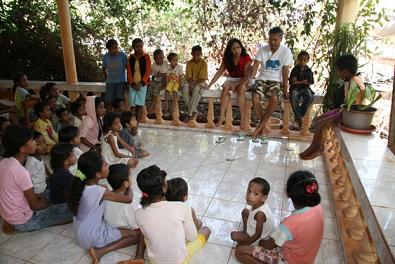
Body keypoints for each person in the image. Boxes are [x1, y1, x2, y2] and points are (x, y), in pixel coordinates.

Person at [68, 151, 144, 263]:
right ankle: (100, 252)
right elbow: (128, 199)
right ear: (98, 174)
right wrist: (129, 187)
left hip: (80, 233)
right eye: (105, 164)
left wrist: (100, 189)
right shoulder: (98, 191)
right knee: (135, 236)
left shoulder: (81, 183)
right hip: (91, 237)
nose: (108, 165)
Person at [235, 171, 324, 264]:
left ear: (287, 193)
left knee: (240, 252)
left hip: (289, 260)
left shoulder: (290, 223)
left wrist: (258, 242)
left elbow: (269, 245)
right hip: (308, 258)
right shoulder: (318, 207)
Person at [0, 125, 72, 232]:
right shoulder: (21, 172)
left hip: (10, 216)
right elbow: (35, 206)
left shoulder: (3, 162)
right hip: (25, 220)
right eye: (32, 141)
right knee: (71, 210)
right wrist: (50, 204)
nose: (35, 143)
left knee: (50, 194)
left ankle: (11, 222)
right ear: (22, 148)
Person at [134, 165, 211, 264]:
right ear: (164, 187)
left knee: (146, 235)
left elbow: (146, 235)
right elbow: (191, 237)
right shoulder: (182, 207)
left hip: (155, 261)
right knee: (206, 230)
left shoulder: (138, 213)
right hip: (180, 261)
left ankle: (139, 256)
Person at [300, 54, 365, 160]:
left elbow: (355, 106)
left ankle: (317, 148)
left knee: (321, 122)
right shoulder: (351, 79)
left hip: (349, 115)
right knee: (318, 120)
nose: (338, 74)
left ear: (344, 71)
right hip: (344, 110)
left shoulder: (355, 82)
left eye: (338, 71)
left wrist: (338, 114)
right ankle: (314, 147)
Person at [249, 27, 294, 139]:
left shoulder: (286, 51)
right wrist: (251, 79)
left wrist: (285, 89)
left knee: (274, 99)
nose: (272, 42)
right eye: (270, 39)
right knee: (255, 99)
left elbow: (285, 71)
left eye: (275, 40)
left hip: (276, 81)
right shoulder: (262, 50)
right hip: (262, 79)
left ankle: (260, 127)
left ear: (280, 39)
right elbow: (255, 65)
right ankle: (263, 126)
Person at [208, 38, 252, 129]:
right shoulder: (227, 59)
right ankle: (221, 119)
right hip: (233, 79)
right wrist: (209, 85)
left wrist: (236, 84)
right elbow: (219, 72)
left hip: (245, 80)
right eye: (234, 48)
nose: (237, 50)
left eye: (238, 47)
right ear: (230, 50)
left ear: (241, 47)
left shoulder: (246, 58)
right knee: (225, 88)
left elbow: (247, 77)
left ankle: (243, 120)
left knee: (241, 89)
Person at [230, 178, 275, 246]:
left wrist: (245, 244)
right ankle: (246, 231)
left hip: (259, 238)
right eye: (249, 191)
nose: (250, 196)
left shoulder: (260, 214)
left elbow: (258, 235)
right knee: (244, 212)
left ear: (264, 198)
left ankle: (247, 238)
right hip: (253, 228)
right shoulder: (257, 204)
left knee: (233, 235)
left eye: (255, 194)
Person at [104, 164, 138, 230]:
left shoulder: (106, 197)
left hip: (111, 229)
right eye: (130, 175)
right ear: (126, 183)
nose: (131, 177)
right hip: (127, 231)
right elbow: (135, 224)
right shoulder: (128, 204)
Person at [182, 45, 209, 124]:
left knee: (197, 89)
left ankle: (189, 114)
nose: (196, 56)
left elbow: (202, 78)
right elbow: (188, 77)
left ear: (201, 54)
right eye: (194, 54)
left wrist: (193, 86)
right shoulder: (189, 63)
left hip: (200, 81)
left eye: (198, 54)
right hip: (190, 81)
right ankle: (194, 111)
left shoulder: (204, 63)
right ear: (191, 54)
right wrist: (190, 85)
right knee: (184, 89)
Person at [127, 38, 151, 121]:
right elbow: (129, 72)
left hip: (142, 85)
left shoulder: (146, 57)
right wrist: (132, 84)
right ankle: (132, 122)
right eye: (137, 47)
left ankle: (137, 124)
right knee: (132, 105)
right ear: (133, 47)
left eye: (141, 46)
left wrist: (141, 83)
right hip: (133, 85)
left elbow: (148, 71)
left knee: (140, 105)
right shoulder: (131, 58)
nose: (139, 48)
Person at [289, 51, 315, 130]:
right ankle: (300, 119)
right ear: (297, 59)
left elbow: (310, 82)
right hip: (295, 88)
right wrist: (302, 82)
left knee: (309, 96)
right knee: (293, 96)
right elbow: (292, 82)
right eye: (300, 59)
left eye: (304, 60)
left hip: (305, 88)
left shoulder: (308, 70)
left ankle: (298, 117)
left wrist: (298, 82)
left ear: (307, 61)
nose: (302, 62)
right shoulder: (295, 69)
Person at [102, 39, 128, 112]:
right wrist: (106, 78)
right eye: (113, 48)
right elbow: (103, 68)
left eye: (116, 47)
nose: (115, 49)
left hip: (121, 81)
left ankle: (122, 118)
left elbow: (128, 69)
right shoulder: (105, 57)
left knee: (119, 101)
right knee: (108, 101)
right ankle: (109, 118)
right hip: (110, 82)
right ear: (108, 49)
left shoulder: (122, 55)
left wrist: (128, 81)